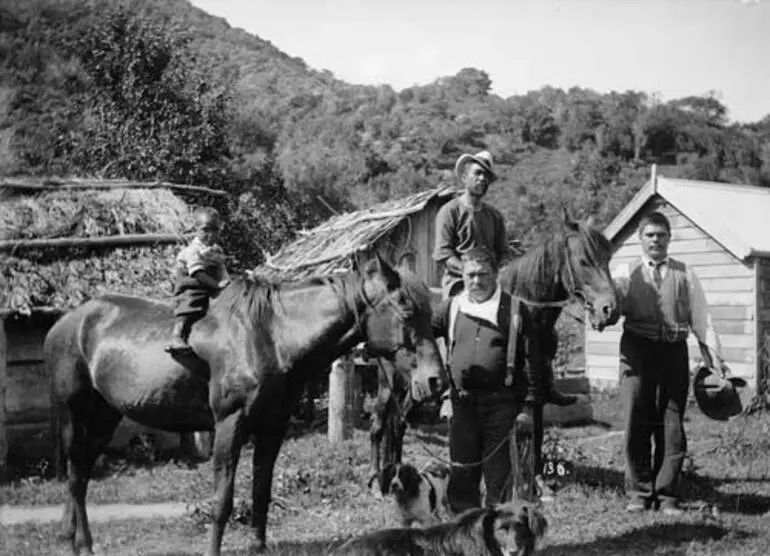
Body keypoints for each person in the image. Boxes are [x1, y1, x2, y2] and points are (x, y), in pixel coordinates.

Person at [433, 150, 575, 407]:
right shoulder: (449, 211)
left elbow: (503, 253)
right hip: (460, 280)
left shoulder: (494, 216)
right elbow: (443, 253)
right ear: (464, 177)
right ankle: (447, 384)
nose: (482, 179)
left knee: (530, 320)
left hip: (492, 280)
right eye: (478, 174)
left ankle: (542, 382)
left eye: (486, 176)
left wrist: (501, 271)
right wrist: (469, 272)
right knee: (453, 320)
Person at [613, 211, 724, 515]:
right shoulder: (625, 272)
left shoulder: (686, 273)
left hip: (674, 351)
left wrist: (715, 358)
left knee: (671, 423)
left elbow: (702, 319)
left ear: (669, 238)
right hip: (637, 350)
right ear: (640, 239)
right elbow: (608, 308)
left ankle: (667, 495)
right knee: (637, 418)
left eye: (661, 235)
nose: (656, 240)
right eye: (650, 235)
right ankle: (638, 493)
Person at [432, 247, 544, 513]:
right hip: (462, 405)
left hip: (501, 405)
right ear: (462, 276)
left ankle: (497, 532)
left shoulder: (515, 310)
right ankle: (465, 531)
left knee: (499, 478)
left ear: (496, 274)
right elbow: (422, 338)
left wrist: (528, 407)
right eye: (470, 275)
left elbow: (532, 361)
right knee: (462, 475)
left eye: (483, 274)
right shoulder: (451, 307)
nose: (476, 281)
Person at [165, 206, 231, 354]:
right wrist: (216, 284)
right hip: (192, 284)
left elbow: (222, 268)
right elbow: (197, 273)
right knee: (189, 304)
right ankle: (177, 336)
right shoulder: (193, 251)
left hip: (210, 284)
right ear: (196, 230)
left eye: (215, 230)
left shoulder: (217, 250)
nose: (211, 235)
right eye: (205, 230)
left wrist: (226, 282)